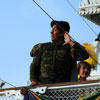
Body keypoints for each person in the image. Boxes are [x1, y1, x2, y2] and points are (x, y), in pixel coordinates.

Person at [30, 20, 89, 86]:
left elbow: (85, 56)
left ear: (62, 33)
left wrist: (70, 42)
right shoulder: (43, 47)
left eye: (55, 30)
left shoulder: (69, 49)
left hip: (62, 90)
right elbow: (34, 65)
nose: (51, 32)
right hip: (42, 88)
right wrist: (33, 80)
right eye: (52, 30)